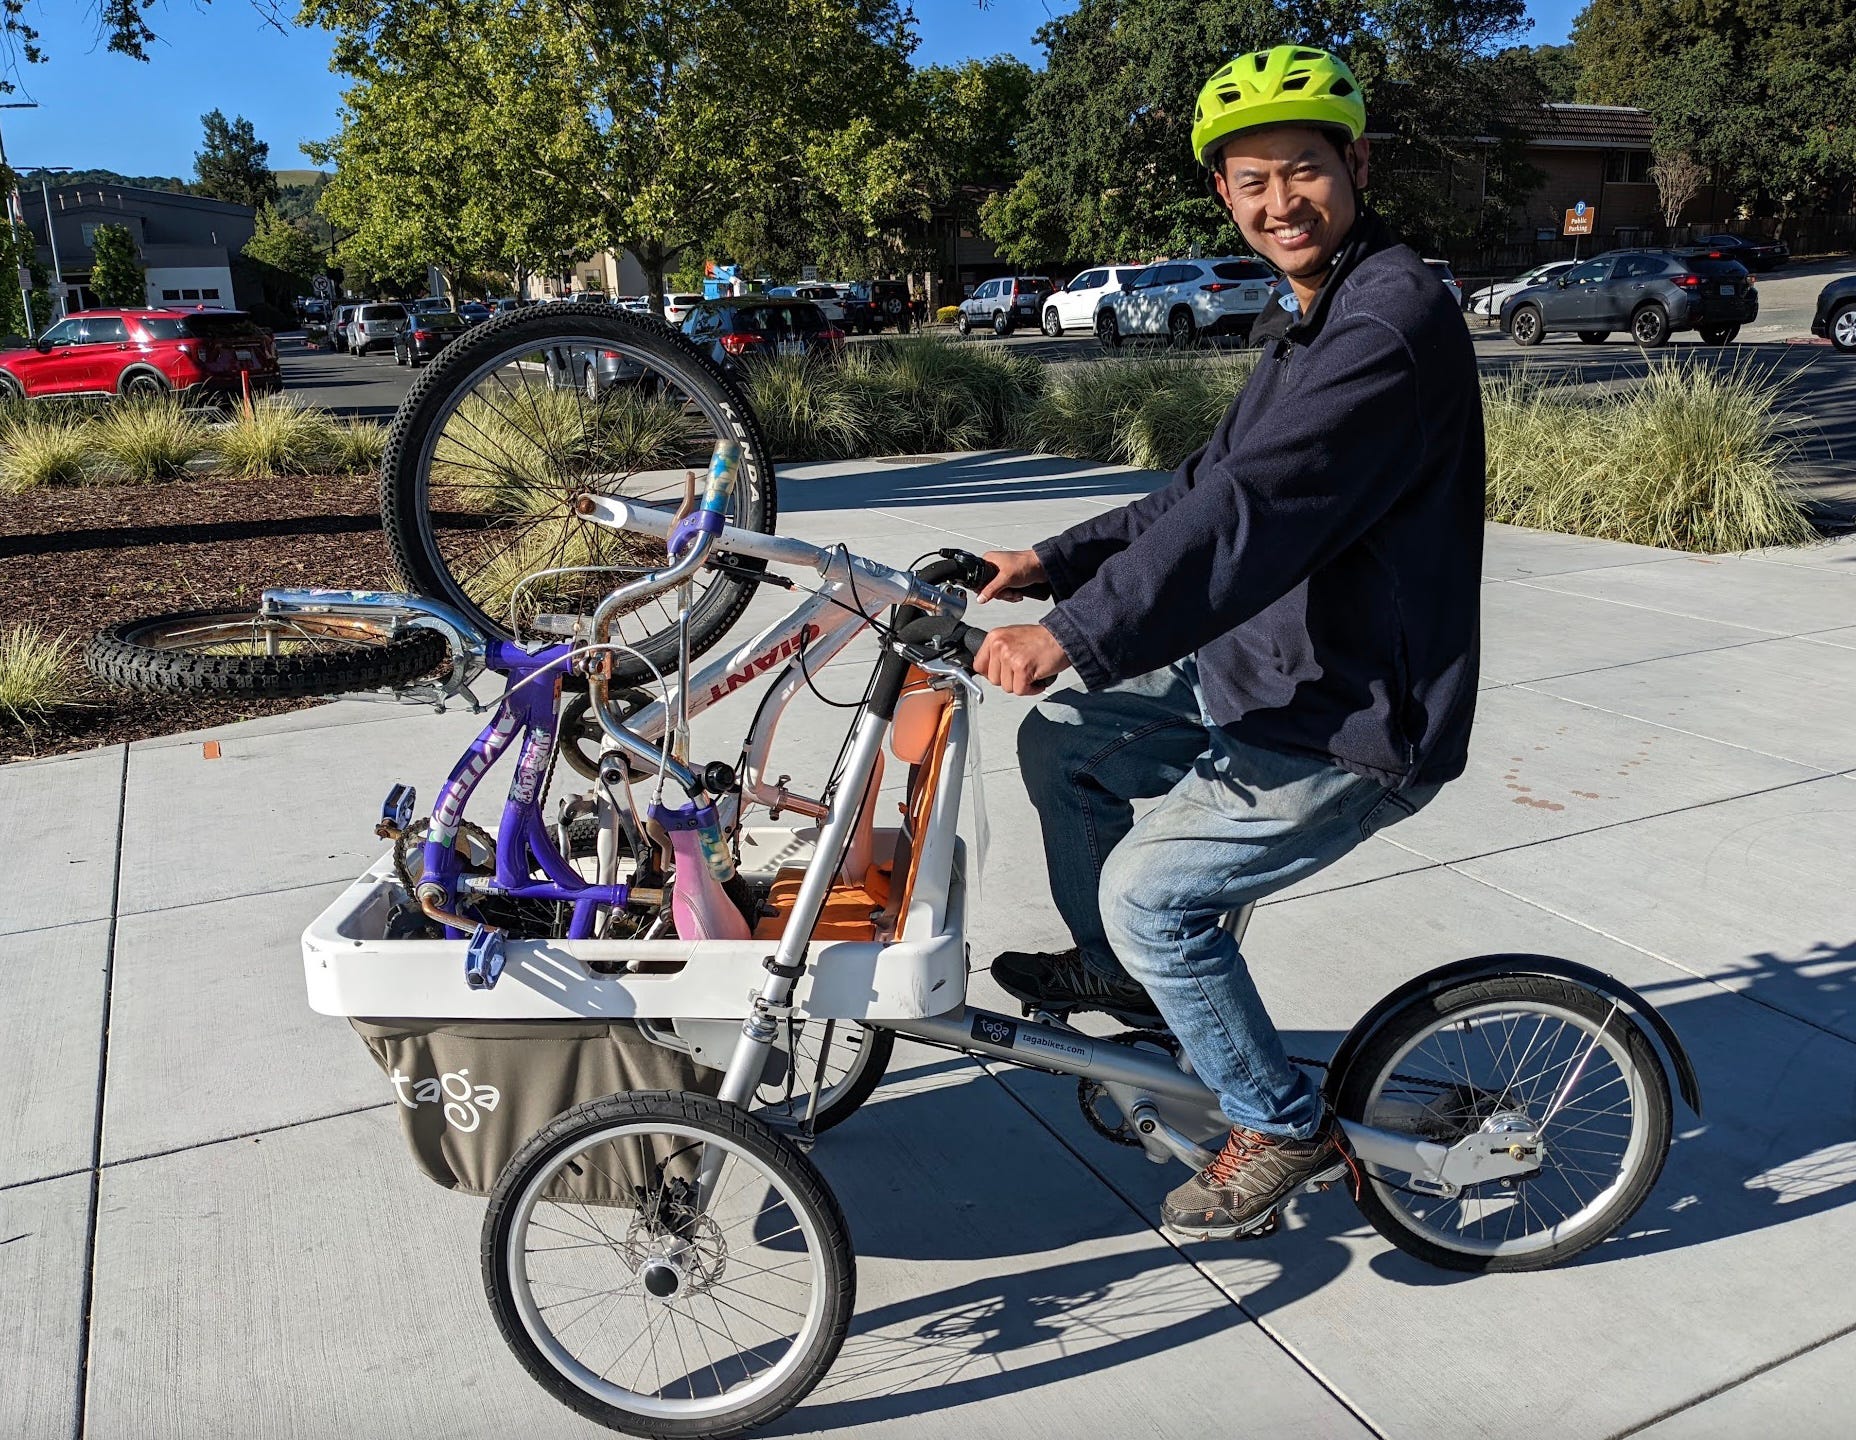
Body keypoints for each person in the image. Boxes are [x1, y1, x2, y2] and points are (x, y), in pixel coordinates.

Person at [970, 44, 1485, 1240]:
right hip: (1266, 668)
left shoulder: (1385, 323)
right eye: (1249, 181)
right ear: (1222, 195)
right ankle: (1126, 979)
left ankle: (1279, 1121)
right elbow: (1207, 483)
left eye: (1301, 170)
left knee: (1154, 897)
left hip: (1355, 716)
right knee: (1068, 746)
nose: (1277, 203)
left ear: (1354, 164)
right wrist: (1051, 563)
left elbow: (1250, 517)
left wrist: (1075, 631)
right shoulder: (1312, 315)